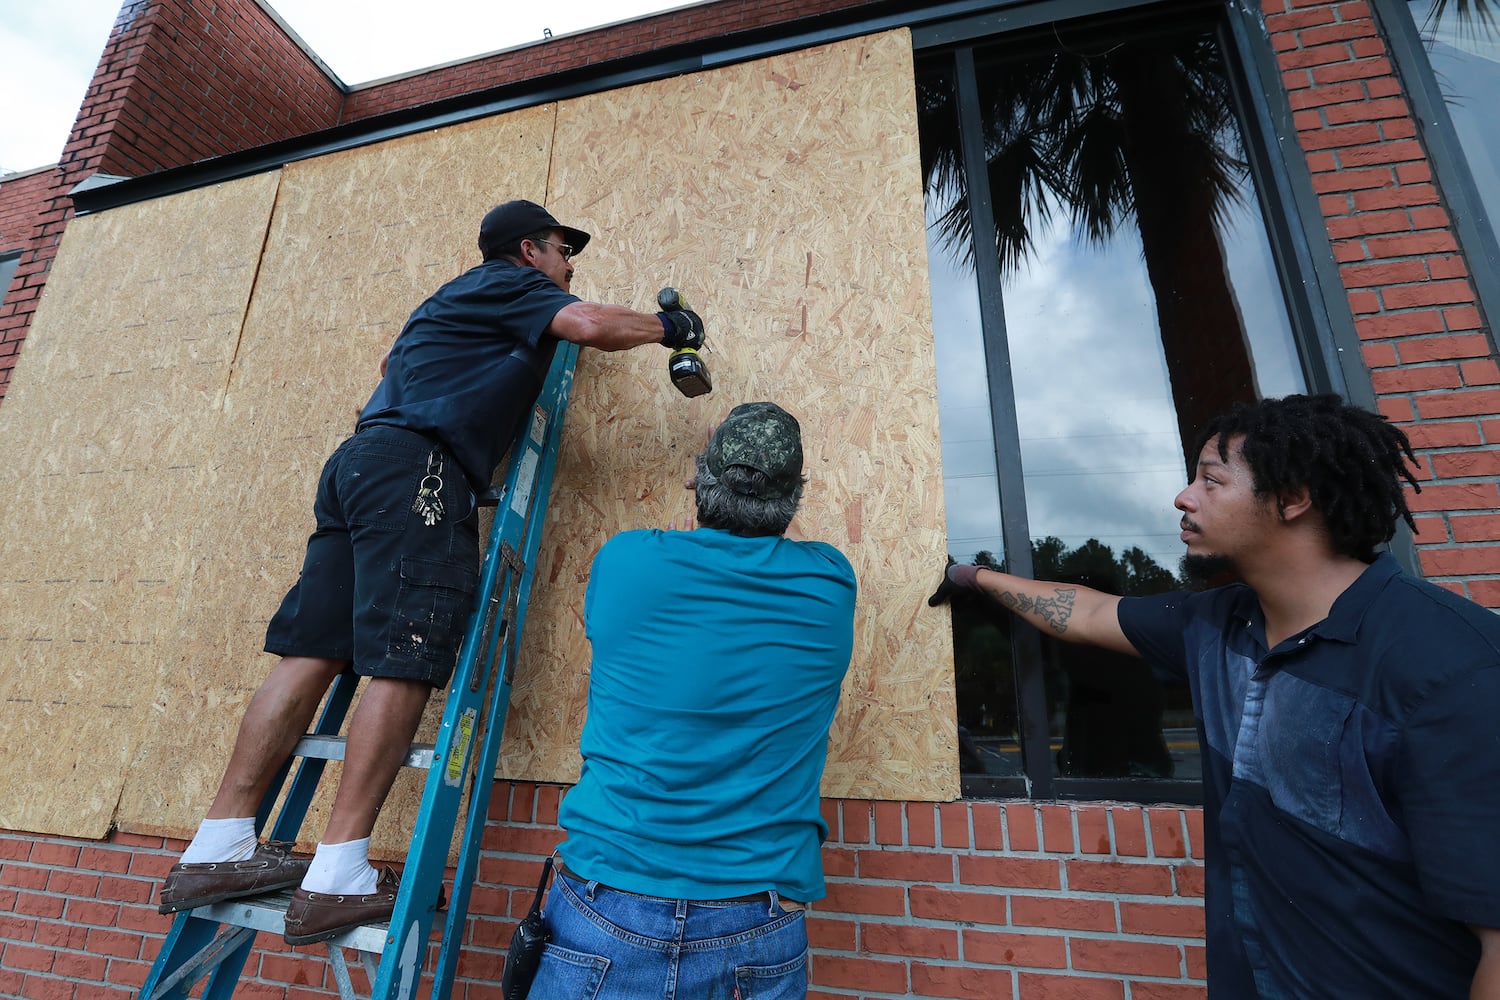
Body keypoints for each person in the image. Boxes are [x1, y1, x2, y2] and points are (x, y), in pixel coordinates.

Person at [157, 200, 710, 945]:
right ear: (528, 250)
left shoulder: (442, 305)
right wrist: (671, 328)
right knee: (406, 654)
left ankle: (217, 848)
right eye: (561, 251)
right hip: (419, 469)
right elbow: (588, 325)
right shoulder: (513, 284)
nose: (569, 266)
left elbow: (390, 370)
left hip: (360, 462)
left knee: (312, 652)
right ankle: (339, 874)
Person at [931, 394, 1500, 998]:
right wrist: (974, 577)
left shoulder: (1451, 665)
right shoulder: (1216, 625)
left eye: (1211, 480)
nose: (1183, 496)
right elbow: (1088, 611)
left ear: (1293, 498)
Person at [529, 401, 858, 999]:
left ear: (700, 480)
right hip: (756, 918)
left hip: (608, 902)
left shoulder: (627, 561)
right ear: (794, 498)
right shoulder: (830, 582)